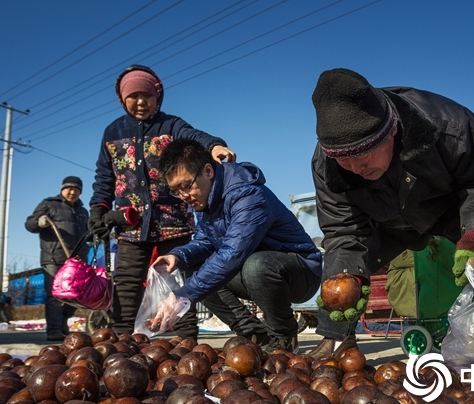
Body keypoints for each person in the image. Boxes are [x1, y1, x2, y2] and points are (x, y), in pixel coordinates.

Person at [306, 68, 474, 359]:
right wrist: (347, 274)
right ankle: (333, 341)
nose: (355, 168)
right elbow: (343, 230)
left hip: (449, 207)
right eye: (343, 159)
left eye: (362, 154)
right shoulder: (327, 164)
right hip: (387, 223)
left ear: (390, 131)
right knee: (341, 271)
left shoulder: (448, 124)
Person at [88, 65, 236, 338]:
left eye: (147, 95)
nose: (141, 101)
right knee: (127, 285)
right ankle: (121, 341)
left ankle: (186, 342)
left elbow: (195, 137)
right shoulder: (112, 133)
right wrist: (98, 210)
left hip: (173, 222)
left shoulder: (171, 125)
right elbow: (104, 177)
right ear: (123, 99)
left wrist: (213, 145)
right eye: (133, 96)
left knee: (178, 281)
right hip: (130, 224)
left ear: (158, 96)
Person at [153, 138, 322, 353]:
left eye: (186, 186)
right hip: (256, 270)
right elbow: (206, 241)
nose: (184, 196)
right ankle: (255, 334)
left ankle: (284, 336)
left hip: (300, 272)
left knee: (254, 265)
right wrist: (179, 256)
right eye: (176, 191)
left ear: (208, 171)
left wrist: (181, 296)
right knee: (195, 268)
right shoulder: (205, 201)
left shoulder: (247, 195)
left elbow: (231, 254)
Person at [25, 176, 90, 341]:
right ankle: (53, 330)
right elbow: (29, 224)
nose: (72, 192)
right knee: (55, 295)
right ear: (62, 189)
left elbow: (89, 233)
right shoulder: (49, 204)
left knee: (75, 295)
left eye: (76, 189)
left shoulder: (83, 211)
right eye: (69, 188)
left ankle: (62, 324)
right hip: (54, 257)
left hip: (76, 259)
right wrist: (39, 221)